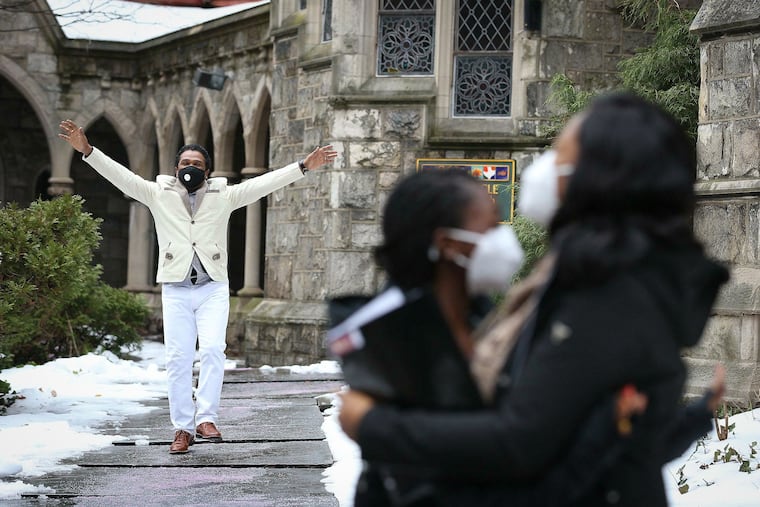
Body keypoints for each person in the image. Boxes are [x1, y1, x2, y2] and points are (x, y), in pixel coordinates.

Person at [339, 92, 729, 506]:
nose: (542, 168)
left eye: (558, 153)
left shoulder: (609, 295)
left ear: (597, 178)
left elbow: (522, 440)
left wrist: (372, 425)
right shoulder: (589, 278)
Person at [58, 119, 337, 454]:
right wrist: (87, 151)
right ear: (176, 167)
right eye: (186, 163)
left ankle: (206, 418)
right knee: (177, 358)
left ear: (208, 170)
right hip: (176, 288)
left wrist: (304, 165)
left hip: (212, 287)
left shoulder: (225, 195)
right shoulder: (157, 193)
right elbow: (124, 177)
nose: (191, 168)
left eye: (198, 164)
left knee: (212, 351)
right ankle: (182, 428)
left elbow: (263, 184)